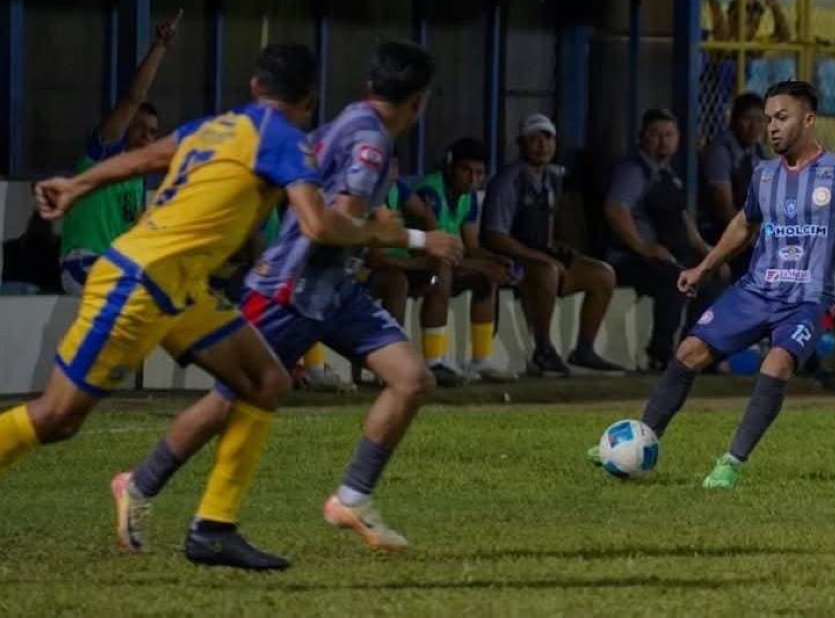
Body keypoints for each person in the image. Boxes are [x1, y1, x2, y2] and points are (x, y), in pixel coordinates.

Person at [0, 42, 414, 571]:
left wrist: (79, 184)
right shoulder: (286, 140)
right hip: (137, 286)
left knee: (265, 380)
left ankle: (213, 530)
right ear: (310, 99)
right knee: (58, 417)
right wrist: (385, 232)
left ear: (255, 87)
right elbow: (317, 224)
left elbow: (147, 157)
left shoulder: (219, 125)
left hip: (178, 287)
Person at [110, 41, 462, 561]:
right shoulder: (370, 143)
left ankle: (353, 497)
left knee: (412, 379)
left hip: (334, 291)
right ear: (419, 101)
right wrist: (412, 238)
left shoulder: (351, 120)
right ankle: (140, 483)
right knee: (227, 402)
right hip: (290, 290)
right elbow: (338, 223)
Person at [589, 80, 835, 488]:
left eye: (781, 118)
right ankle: (637, 442)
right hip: (757, 290)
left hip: (809, 299)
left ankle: (731, 462)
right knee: (688, 352)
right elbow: (744, 224)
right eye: (769, 119)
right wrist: (704, 267)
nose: (771, 127)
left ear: (808, 120)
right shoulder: (765, 174)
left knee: (776, 363)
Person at [481, 113, 624, 376]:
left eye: (547, 138)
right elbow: (494, 235)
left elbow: (547, 222)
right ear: (521, 143)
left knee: (603, 274)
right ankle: (543, 349)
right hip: (512, 259)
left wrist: (554, 247)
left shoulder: (552, 177)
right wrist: (537, 257)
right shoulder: (509, 180)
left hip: (540, 253)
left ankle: (584, 350)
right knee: (547, 271)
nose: (542, 145)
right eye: (534, 139)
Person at [368, 139, 518, 385]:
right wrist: (439, 254)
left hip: (409, 262)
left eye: (479, 173)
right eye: (466, 170)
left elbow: (468, 246)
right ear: (450, 166)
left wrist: (494, 261)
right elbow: (376, 257)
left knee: (484, 277)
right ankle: (428, 360)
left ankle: (480, 359)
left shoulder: (404, 188)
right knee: (430, 274)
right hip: (382, 267)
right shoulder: (429, 191)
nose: (472, 179)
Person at [59, 11, 182, 295]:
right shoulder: (103, 155)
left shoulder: (137, 179)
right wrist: (160, 46)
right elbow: (133, 98)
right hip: (83, 263)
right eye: (139, 128)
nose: (146, 137)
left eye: (152, 132)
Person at [604, 108, 728, 370]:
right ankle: (659, 354)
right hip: (631, 258)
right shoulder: (633, 171)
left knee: (712, 280)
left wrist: (706, 250)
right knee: (677, 281)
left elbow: (683, 217)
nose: (663, 141)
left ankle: (692, 352)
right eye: (656, 134)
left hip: (668, 255)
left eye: (669, 134)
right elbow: (615, 210)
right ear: (642, 137)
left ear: (678, 138)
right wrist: (644, 247)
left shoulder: (669, 174)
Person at [702, 92, 768, 277]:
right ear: (734, 120)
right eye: (747, 119)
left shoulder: (756, 151)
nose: (754, 126)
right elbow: (724, 209)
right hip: (722, 232)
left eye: (760, 120)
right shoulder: (720, 151)